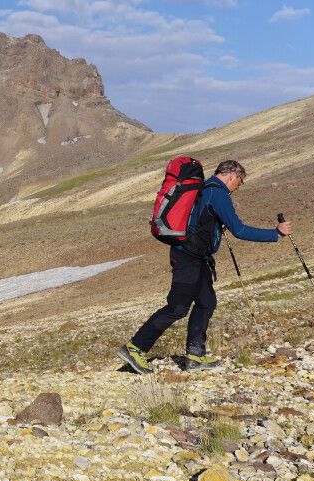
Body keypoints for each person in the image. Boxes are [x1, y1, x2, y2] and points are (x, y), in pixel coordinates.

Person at [119, 160, 292, 374]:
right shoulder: (217, 193)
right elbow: (239, 230)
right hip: (188, 257)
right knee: (178, 307)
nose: (238, 186)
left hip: (196, 257)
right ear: (231, 176)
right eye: (240, 182)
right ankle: (135, 347)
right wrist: (275, 233)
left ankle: (195, 356)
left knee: (206, 301)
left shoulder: (205, 189)